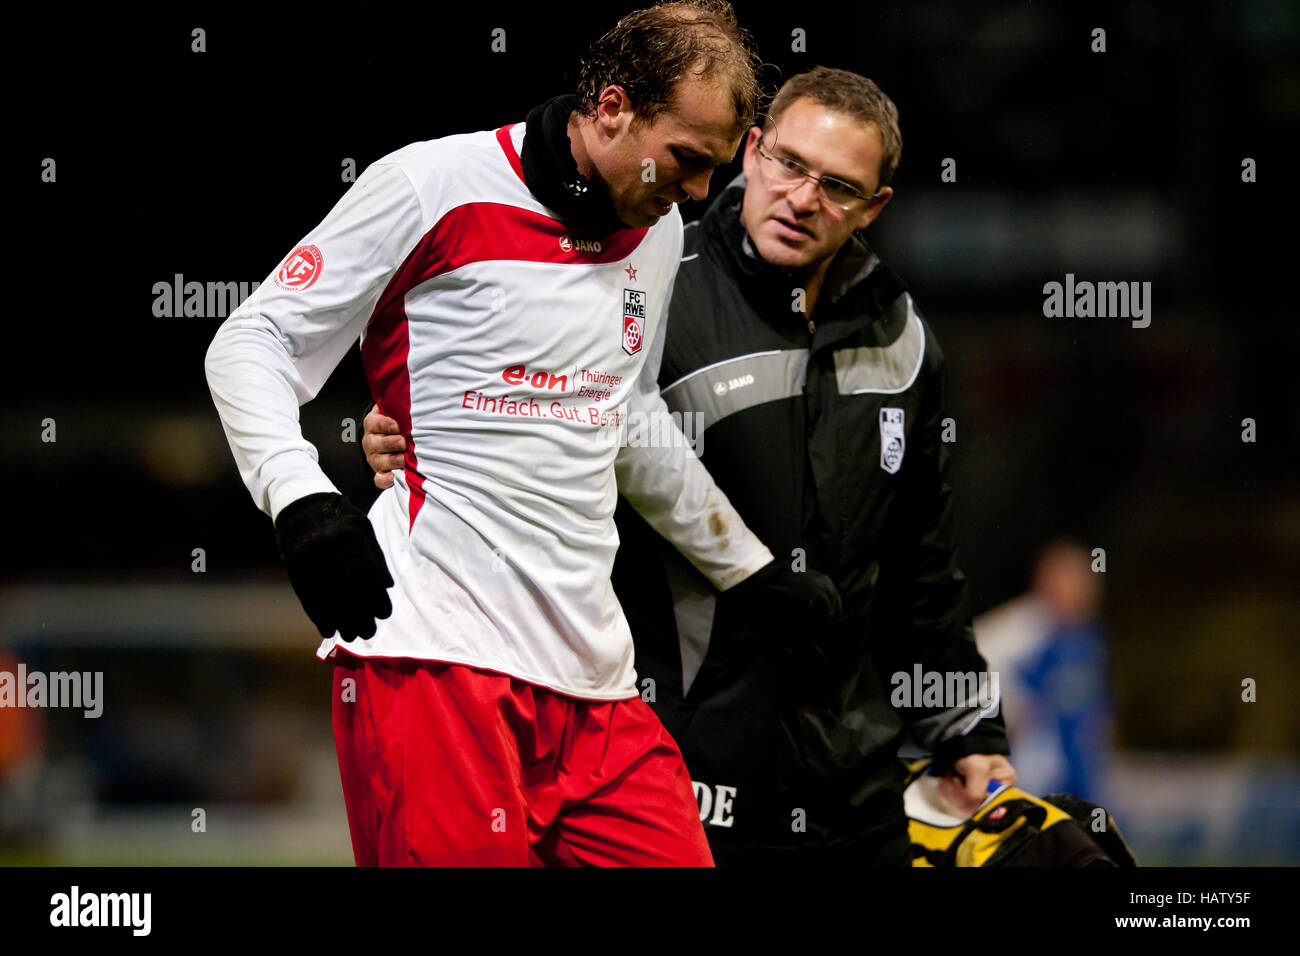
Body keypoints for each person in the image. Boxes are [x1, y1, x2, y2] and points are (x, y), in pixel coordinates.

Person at [206, 0, 839, 866]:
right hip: (432, 659)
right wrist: (303, 501)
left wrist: (747, 569)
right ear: (612, 106)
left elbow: (622, 416)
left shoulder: (652, 232)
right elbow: (252, 340)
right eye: (688, 161)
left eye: (714, 170)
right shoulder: (431, 186)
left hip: (593, 685)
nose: (699, 194)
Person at [366, 66, 1016, 865]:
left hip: (855, 777)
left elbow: (923, 564)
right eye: (788, 164)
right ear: (750, 150)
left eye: (839, 187)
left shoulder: (904, 340)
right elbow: (521, 415)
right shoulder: (643, 278)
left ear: (873, 206)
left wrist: (966, 731)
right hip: (674, 758)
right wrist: (414, 429)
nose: (803, 198)